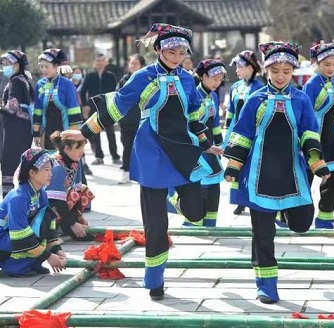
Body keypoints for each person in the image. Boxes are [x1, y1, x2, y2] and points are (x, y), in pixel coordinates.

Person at [61, 23, 223, 301]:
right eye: (171, 49)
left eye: (181, 50)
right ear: (159, 48)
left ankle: (175, 197)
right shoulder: (142, 77)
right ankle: (155, 279)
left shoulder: (187, 79)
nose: (176, 54)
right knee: (156, 226)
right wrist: (84, 132)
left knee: (196, 213)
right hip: (152, 151)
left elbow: (195, 116)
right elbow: (117, 106)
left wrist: (207, 144)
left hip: (184, 149)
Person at [223, 41, 330, 304]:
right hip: (259, 173)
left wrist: (317, 163)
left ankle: (282, 211)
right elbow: (243, 133)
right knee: (263, 234)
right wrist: (234, 166)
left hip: (291, 171)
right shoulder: (255, 99)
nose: (281, 76)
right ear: (267, 70)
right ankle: (266, 285)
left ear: (293, 71)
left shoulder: (301, 99)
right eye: (275, 70)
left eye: (286, 71)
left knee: (303, 222)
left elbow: (309, 132)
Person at [172, 59, 226, 227]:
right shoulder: (192, 96)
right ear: (203, 76)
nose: (217, 83)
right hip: (197, 150)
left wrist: (221, 144)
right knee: (199, 190)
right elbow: (189, 124)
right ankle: (193, 223)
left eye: (220, 79)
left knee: (214, 190)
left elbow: (215, 123)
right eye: (214, 79)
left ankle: (210, 225)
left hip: (212, 150)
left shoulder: (214, 96)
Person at [0, 148, 66, 276]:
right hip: (3, 241)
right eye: (46, 170)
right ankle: (15, 266)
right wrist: (48, 256)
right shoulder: (18, 197)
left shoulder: (41, 194)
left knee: (45, 218)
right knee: (28, 231)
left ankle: (33, 263)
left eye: (50, 169)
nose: (50, 174)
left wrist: (56, 250)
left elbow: (49, 222)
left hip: (10, 238)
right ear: (32, 172)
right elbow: (19, 234)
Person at [303, 43, 334, 229]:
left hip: (331, 138)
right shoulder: (311, 84)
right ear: (318, 63)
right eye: (327, 64)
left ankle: (325, 217)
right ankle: (290, 215)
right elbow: (304, 113)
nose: (331, 68)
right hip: (313, 138)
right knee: (306, 178)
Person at [225, 50, 264, 215]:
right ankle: (238, 199)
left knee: (249, 166)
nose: (236, 70)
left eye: (240, 66)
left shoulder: (259, 88)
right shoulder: (235, 86)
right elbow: (231, 110)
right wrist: (227, 130)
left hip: (253, 134)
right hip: (236, 133)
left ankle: (251, 197)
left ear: (250, 67)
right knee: (235, 165)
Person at [46, 131, 94, 241]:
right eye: (78, 148)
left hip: (60, 200)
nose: (82, 152)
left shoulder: (75, 163)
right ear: (67, 149)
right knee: (58, 202)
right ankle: (54, 229)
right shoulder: (57, 168)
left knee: (82, 190)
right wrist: (72, 224)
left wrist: (78, 217)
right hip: (44, 203)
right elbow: (58, 201)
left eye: (82, 148)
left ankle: (66, 225)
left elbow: (76, 192)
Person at [33, 48, 83, 152]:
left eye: (47, 66)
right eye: (41, 67)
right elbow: (37, 110)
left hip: (65, 133)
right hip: (46, 134)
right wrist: (36, 133)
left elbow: (74, 111)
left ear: (56, 66)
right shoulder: (39, 85)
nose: (43, 70)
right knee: (48, 163)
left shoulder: (67, 85)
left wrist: (74, 135)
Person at [0, 51, 34, 197]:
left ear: (16, 65)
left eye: (7, 64)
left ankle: (9, 202)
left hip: (14, 130)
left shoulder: (15, 82)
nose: (4, 67)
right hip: (23, 130)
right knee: (20, 165)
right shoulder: (24, 80)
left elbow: (12, 108)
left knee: (9, 164)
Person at [79, 53, 121, 165]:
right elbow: (83, 91)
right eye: (98, 60)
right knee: (95, 132)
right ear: (95, 62)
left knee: (110, 133)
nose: (100, 63)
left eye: (102, 60)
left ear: (106, 62)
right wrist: (85, 105)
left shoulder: (111, 76)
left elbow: (115, 92)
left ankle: (115, 156)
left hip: (108, 107)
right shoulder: (90, 75)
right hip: (94, 107)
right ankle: (99, 156)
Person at [117, 54, 146, 184]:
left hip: (142, 120)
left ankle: (142, 172)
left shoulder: (147, 80)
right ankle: (126, 171)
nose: (132, 66)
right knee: (127, 146)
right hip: (127, 120)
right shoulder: (124, 80)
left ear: (142, 66)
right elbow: (117, 99)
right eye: (131, 63)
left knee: (142, 147)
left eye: (135, 63)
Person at [70, 66, 93, 177]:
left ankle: (83, 163)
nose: (78, 74)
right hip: (69, 117)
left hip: (80, 115)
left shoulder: (83, 84)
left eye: (79, 72)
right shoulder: (68, 85)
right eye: (76, 72)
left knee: (81, 140)